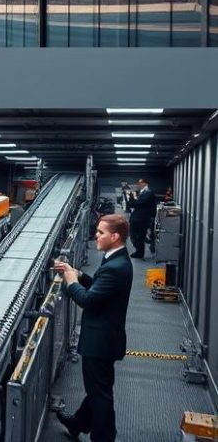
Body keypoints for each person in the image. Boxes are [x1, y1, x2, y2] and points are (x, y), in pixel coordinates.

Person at [53, 213, 133, 441]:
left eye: (100, 232)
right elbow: (100, 288)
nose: (95, 235)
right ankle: (79, 422)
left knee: (100, 394)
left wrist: (71, 282)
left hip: (99, 342)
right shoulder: (117, 259)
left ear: (115, 236)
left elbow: (88, 300)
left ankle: (104, 437)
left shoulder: (115, 267)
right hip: (107, 338)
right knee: (99, 387)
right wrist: (78, 274)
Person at [126, 179, 156, 259]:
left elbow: (138, 203)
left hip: (141, 219)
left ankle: (139, 253)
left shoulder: (148, 193)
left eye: (140, 183)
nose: (138, 184)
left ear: (145, 183)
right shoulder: (142, 193)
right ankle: (138, 251)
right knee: (135, 236)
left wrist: (131, 199)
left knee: (139, 236)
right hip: (138, 218)